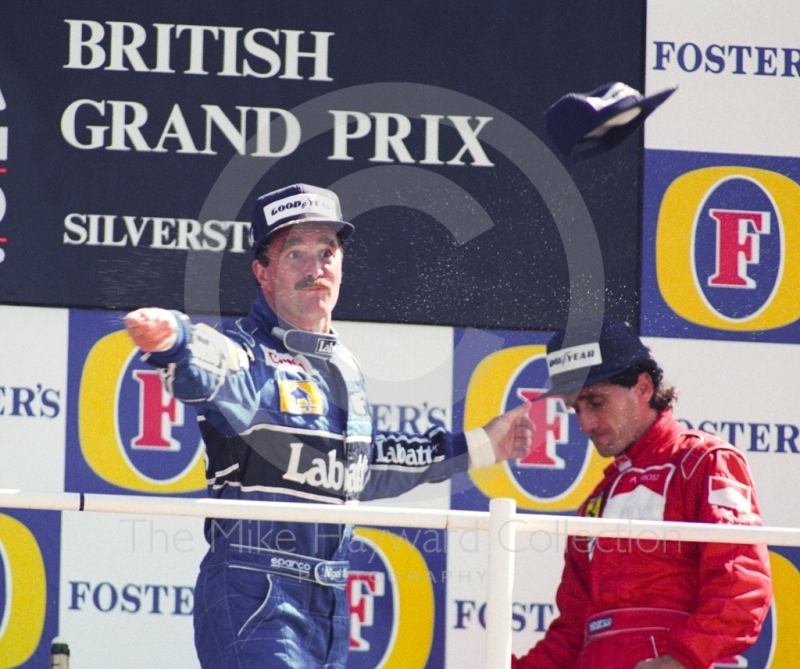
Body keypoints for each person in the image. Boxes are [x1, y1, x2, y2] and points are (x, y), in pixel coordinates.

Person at [124, 183, 534, 669]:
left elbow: (361, 470)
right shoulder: (248, 352)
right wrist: (176, 338)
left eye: (327, 252)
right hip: (256, 593)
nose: (315, 268)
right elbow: (212, 367)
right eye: (295, 253)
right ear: (263, 272)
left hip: (330, 604)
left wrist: (481, 446)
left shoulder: (342, 363)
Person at [512, 318, 772, 669]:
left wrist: (679, 660)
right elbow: (572, 634)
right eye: (576, 408)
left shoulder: (703, 462)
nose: (585, 423)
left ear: (644, 387)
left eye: (595, 401)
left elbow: (740, 587)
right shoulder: (595, 503)